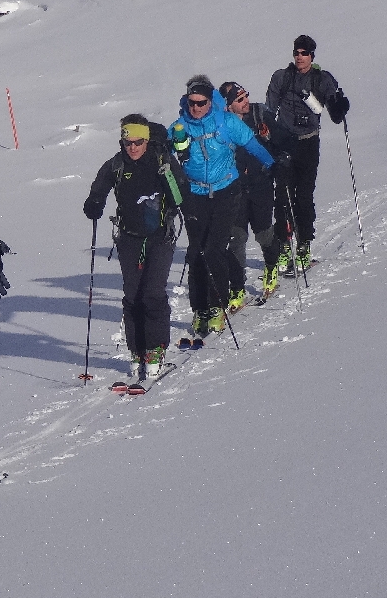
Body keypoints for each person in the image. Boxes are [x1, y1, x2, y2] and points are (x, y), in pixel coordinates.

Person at [83, 114, 186, 385]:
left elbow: (180, 195)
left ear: (146, 139)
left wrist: (169, 181)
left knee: (152, 292)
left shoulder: (162, 160)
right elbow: (99, 188)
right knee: (132, 295)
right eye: (127, 142)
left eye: (138, 142)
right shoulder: (116, 164)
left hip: (160, 236)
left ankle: (156, 350)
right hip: (128, 238)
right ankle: (136, 350)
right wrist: (94, 203)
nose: (133, 147)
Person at [169, 75, 274, 337]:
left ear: (209, 100)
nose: (196, 108)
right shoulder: (180, 127)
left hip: (227, 191)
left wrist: (273, 164)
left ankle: (218, 305)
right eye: (192, 103)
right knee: (195, 253)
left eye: (201, 102)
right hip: (195, 194)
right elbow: (164, 159)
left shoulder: (225, 122)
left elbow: (251, 144)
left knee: (214, 249)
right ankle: (200, 309)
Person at [266, 34, 350, 273]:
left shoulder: (322, 80)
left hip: (308, 144)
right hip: (283, 143)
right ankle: (283, 245)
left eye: (304, 53)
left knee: (303, 196)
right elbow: (270, 109)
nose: (300, 57)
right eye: (297, 53)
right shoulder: (281, 77)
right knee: (282, 197)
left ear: (312, 56)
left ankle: (304, 245)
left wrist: (341, 106)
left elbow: (335, 115)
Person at [218, 81, 284, 302]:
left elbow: (280, 137)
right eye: (239, 99)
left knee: (264, 232)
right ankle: (237, 287)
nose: (245, 101)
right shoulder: (221, 125)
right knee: (236, 238)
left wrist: (281, 158)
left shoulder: (259, 114)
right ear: (228, 106)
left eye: (245, 95)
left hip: (260, 184)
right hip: (234, 189)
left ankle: (271, 268)